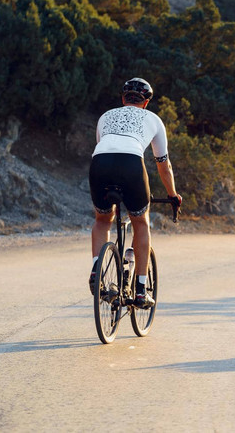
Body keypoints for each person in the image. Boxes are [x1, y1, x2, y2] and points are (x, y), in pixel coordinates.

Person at [89, 77, 182, 308]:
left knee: (103, 219)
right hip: (131, 165)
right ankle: (141, 290)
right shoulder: (154, 119)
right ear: (147, 102)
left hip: (99, 163)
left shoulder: (105, 116)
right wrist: (172, 194)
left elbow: (106, 147)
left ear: (123, 99)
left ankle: (96, 270)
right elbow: (163, 164)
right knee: (140, 222)